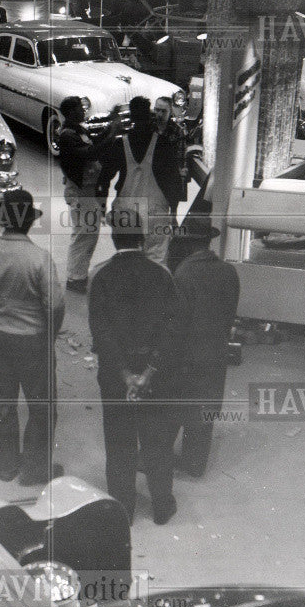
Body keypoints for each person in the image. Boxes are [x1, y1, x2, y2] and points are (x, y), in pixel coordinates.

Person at [0, 189, 65, 485]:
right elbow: (55, 305)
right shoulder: (40, 259)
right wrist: (50, 333)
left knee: (2, 402)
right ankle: (34, 469)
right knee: (42, 406)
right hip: (34, 340)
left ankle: (6, 466)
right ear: (29, 223)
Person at [88, 215, 184, 525]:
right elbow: (173, 329)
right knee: (157, 441)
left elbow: (100, 333)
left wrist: (125, 375)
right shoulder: (162, 274)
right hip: (156, 374)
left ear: (114, 240)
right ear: (142, 239)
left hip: (115, 375)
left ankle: (123, 509)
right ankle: (161, 506)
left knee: (119, 441)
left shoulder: (99, 277)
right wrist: (148, 373)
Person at [171, 215, 240, 478]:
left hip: (189, 354)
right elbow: (231, 313)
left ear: (187, 245)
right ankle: (196, 462)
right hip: (217, 351)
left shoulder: (184, 273)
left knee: (178, 405)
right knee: (206, 408)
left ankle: (163, 456)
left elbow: (179, 321)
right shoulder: (228, 271)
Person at [99, 96, 186, 266]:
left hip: (125, 213)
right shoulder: (163, 144)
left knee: (127, 260)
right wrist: (173, 213)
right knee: (156, 262)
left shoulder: (120, 144)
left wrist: (102, 207)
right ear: (150, 115)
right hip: (156, 214)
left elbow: (104, 178)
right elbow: (174, 181)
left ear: (131, 117)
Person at [57, 95, 118, 293]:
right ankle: (75, 278)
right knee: (84, 235)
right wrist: (110, 137)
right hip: (81, 191)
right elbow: (89, 153)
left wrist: (109, 128)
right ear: (70, 112)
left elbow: (92, 145)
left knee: (87, 234)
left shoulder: (78, 130)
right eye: (79, 109)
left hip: (86, 190)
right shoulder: (67, 135)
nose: (84, 111)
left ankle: (78, 274)